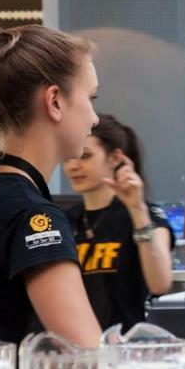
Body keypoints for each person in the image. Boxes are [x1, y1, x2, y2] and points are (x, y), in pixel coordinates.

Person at [0, 19, 102, 347]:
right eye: (91, 98)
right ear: (55, 101)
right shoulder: (32, 218)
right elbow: (94, 362)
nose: (95, 118)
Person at [62, 114, 175, 331]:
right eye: (68, 157)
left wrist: (137, 209)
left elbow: (160, 283)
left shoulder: (147, 214)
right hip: (77, 350)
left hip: (125, 350)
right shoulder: (64, 221)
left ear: (115, 158)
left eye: (85, 156)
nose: (73, 166)